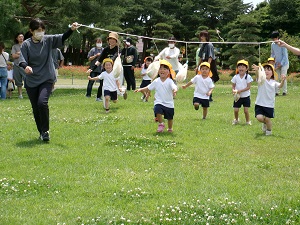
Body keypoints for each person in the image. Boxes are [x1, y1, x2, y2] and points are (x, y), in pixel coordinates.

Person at [18, 18, 79, 141]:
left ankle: (45, 132)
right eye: (38, 30)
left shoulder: (48, 40)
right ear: (31, 31)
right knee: (36, 108)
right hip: (31, 80)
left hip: (47, 78)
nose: (41, 32)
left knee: (42, 103)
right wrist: (26, 67)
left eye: (42, 30)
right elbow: (22, 60)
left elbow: (62, 37)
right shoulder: (26, 44)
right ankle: (41, 131)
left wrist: (71, 29)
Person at [135, 60, 177, 133]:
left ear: (169, 72)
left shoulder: (170, 81)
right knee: (157, 109)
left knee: (170, 118)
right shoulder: (156, 81)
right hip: (159, 102)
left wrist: (174, 90)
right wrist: (141, 89)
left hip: (169, 103)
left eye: (165, 69)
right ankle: (161, 124)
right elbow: (149, 87)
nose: (162, 70)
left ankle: (170, 128)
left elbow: (174, 87)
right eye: (160, 68)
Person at [87, 32, 126, 99]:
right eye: (110, 39)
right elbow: (99, 60)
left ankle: (122, 91)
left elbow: (115, 56)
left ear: (116, 41)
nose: (111, 41)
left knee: (116, 84)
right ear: (108, 41)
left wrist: (108, 62)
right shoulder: (106, 49)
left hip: (115, 71)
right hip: (106, 70)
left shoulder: (118, 49)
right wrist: (92, 68)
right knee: (102, 84)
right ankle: (99, 97)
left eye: (113, 39)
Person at [252, 63, 286, 136]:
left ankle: (269, 130)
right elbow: (258, 76)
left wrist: (283, 80)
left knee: (268, 119)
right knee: (259, 118)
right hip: (259, 104)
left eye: (269, 70)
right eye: (265, 70)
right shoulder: (261, 80)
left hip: (269, 105)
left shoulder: (273, 82)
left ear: (272, 73)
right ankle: (265, 123)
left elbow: (280, 86)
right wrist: (257, 70)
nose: (266, 71)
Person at [197, 30, 219, 101]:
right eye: (201, 36)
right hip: (204, 64)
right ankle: (204, 96)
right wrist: (198, 66)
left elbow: (210, 57)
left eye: (203, 36)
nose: (202, 37)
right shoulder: (202, 45)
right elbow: (201, 57)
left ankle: (209, 97)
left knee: (209, 80)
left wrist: (207, 67)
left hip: (210, 64)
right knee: (203, 80)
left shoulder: (209, 45)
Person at [231, 60, 253, 125]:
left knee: (246, 111)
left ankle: (248, 121)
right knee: (236, 110)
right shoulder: (235, 77)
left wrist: (240, 91)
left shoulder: (248, 77)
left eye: (243, 67)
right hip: (238, 97)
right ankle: (236, 119)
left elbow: (248, 87)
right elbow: (233, 85)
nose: (241, 68)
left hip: (246, 96)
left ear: (246, 69)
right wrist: (233, 90)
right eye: (239, 67)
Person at [270, 31, 289, 96]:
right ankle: (276, 92)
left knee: (283, 77)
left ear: (277, 37)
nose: (273, 40)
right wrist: (271, 61)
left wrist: (281, 63)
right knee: (276, 77)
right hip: (276, 63)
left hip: (284, 63)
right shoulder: (272, 44)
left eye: (274, 38)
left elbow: (285, 55)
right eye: (272, 38)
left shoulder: (282, 44)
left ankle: (284, 91)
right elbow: (272, 54)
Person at [11, 33, 26, 99]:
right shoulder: (14, 46)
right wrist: (21, 53)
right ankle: (20, 95)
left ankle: (30, 92)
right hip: (17, 65)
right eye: (19, 37)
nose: (21, 38)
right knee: (18, 81)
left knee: (28, 79)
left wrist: (18, 53)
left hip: (25, 65)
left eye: (22, 37)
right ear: (17, 38)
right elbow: (14, 56)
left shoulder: (26, 45)